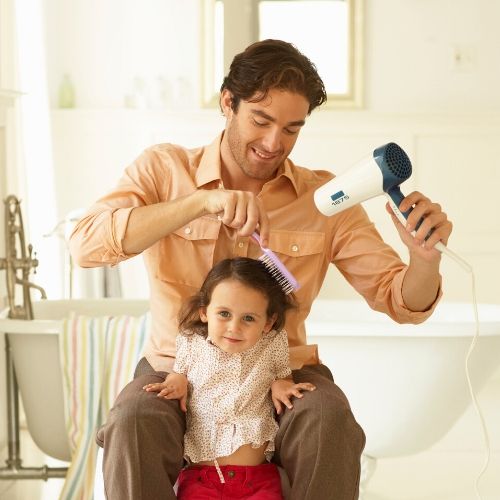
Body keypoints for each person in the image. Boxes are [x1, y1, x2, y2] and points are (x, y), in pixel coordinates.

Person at [69, 39, 452, 500]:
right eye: (261, 120)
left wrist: (424, 260)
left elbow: (400, 300)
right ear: (227, 103)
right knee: (132, 420)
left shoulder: (326, 198)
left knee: (328, 417)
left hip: (284, 374)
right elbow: (85, 245)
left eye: (292, 129)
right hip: (177, 372)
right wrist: (197, 204)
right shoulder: (163, 169)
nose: (275, 144)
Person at [143, 256, 316, 499]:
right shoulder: (191, 342)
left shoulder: (271, 344)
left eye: (248, 318)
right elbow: (179, 374)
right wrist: (176, 381)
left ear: (268, 322)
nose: (234, 327)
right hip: (202, 477)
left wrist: (281, 385)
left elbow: (282, 376)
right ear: (204, 313)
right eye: (224, 313)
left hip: (257, 480)